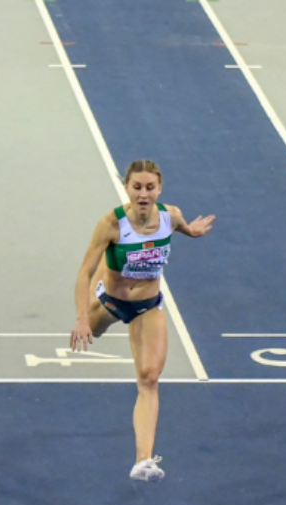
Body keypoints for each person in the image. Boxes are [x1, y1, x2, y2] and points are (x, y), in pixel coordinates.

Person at [70, 160, 214, 482]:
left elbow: (183, 227)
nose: (144, 194)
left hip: (147, 306)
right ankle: (96, 318)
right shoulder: (111, 224)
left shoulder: (170, 216)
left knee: (149, 378)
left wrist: (192, 231)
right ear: (128, 188)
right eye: (137, 187)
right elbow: (84, 272)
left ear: (159, 188)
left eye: (150, 187)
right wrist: (81, 319)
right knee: (93, 331)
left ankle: (143, 461)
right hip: (109, 300)